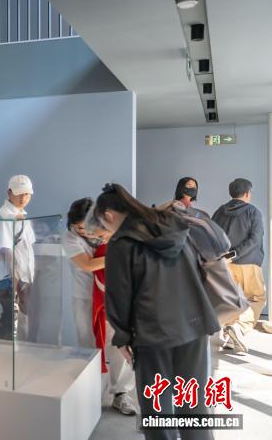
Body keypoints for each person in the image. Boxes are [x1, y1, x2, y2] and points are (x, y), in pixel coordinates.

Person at [95, 183, 219, 440]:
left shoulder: (122, 242)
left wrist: (122, 337)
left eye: (103, 225)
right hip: (194, 324)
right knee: (193, 403)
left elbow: (118, 295)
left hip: (153, 332)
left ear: (109, 215)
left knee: (157, 407)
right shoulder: (173, 224)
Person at [83, 209, 137, 416]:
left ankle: (121, 393)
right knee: (105, 347)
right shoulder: (101, 248)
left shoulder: (130, 242)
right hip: (107, 304)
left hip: (128, 304)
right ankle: (96, 392)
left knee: (124, 351)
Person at [213, 178, 266, 353]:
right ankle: (239, 328)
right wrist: (235, 254)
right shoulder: (253, 211)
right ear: (248, 193)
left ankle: (230, 338)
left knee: (232, 301)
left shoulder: (219, 212)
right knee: (256, 298)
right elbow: (255, 239)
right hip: (248, 264)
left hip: (225, 265)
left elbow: (212, 236)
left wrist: (224, 257)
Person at [0, 175, 36, 340]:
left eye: (26, 194)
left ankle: (16, 350)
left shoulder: (22, 214)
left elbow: (27, 246)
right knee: (9, 318)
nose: (23, 198)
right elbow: (5, 250)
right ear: (9, 192)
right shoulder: (4, 216)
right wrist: (15, 280)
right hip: (10, 277)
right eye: (19, 193)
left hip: (22, 275)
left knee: (16, 319)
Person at [63, 198, 101, 348]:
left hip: (107, 293)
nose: (83, 231)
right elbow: (87, 265)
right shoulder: (70, 237)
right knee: (86, 339)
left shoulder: (102, 230)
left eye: (86, 226)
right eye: (78, 227)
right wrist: (115, 257)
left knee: (109, 340)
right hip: (84, 294)